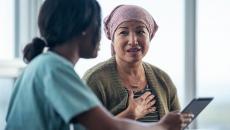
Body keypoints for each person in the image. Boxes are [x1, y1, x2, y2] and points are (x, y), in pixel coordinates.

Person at [5, 0, 193, 130]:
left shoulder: (42, 65)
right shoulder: (54, 69)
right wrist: (162, 126)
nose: (103, 34)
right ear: (84, 30)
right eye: (97, 24)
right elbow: (107, 127)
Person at [83, 4, 181, 122]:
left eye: (140, 32)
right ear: (113, 38)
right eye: (124, 32)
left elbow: (178, 125)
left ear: (149, 37)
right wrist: (130, 115)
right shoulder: (95, 80)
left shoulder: (163, 79)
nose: (133, 41)